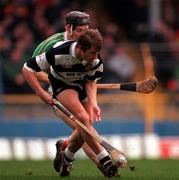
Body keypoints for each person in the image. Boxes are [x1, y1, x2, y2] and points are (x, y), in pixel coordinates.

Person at [22, 29, 119, 177]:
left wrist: (93, 103)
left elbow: (91, 82)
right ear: (80, 48)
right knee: (83, 119)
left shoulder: (96, 61)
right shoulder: (58, 52)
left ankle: (66, 154)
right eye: (92, 53)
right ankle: (103, 158)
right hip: (62, 86)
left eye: (97, 53)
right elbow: (27, 69)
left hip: (81, 87)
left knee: (85, 127)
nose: (95, 57)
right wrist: (41, 93)